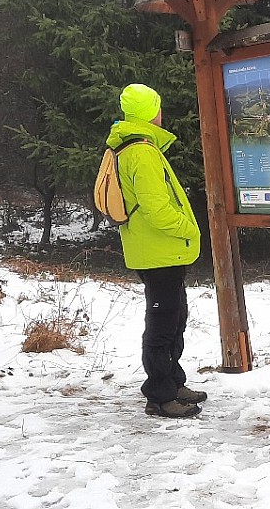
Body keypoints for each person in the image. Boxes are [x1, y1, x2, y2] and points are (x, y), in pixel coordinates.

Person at [105, 83, 207, 418]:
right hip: (159, 250)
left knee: (175, 317)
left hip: (157, 251)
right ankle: (161, 396)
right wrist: (188, 228)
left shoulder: (131, 148)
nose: (162, 114)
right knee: (163, 323)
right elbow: (157, 209)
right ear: (151, 112)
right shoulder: (142, 153)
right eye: (158, 108)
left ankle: (173, 383)